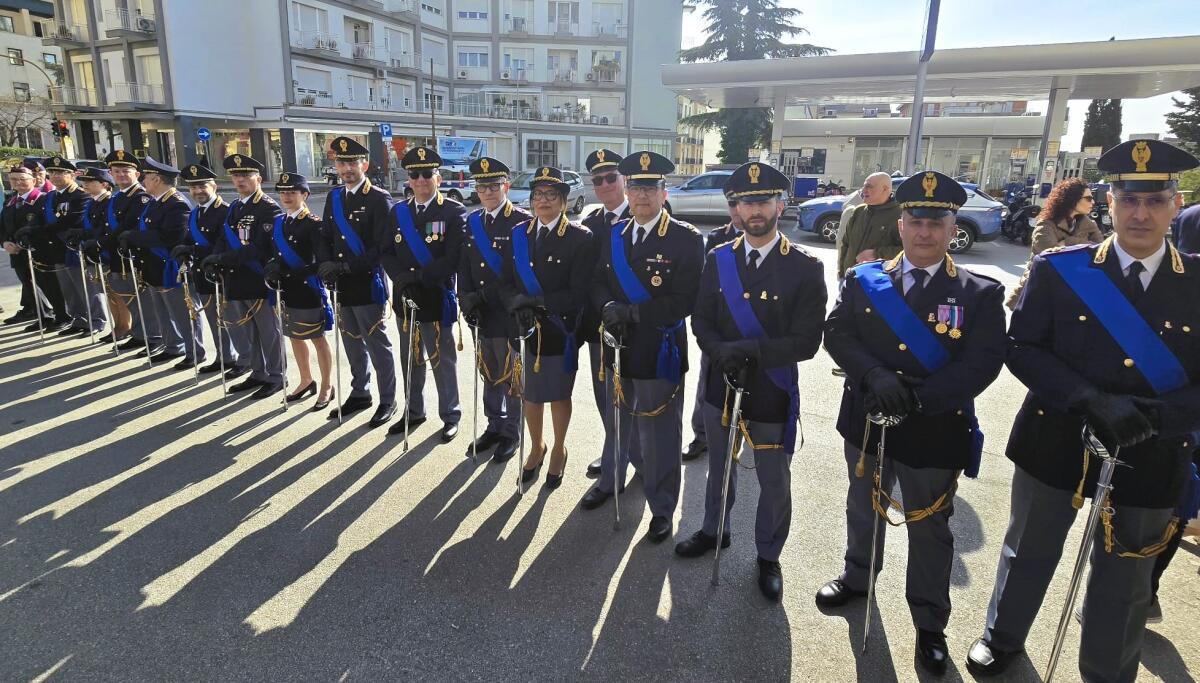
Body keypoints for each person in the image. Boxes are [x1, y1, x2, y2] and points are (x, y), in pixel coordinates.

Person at [966, 139, 1200, 683]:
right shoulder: (1060, 270)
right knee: (1029, 548)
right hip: (1057, 437)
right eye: (1127, 200)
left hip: (1151, 449)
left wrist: (1157, 419)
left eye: (1155, 199)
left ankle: (1106, 672)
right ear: (1108, 203)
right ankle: (1002, 637)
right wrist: (1089, 400)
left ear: (1175, 204)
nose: (1140, 213)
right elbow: (1021, 347)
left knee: (1126, 575)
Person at [818, 170, 1006, 675]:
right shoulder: (863, 279)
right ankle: (858, 577)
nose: (925, 231)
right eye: (916, 220)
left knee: (929, 530)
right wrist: (874, 376)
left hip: (934, 428)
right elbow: (837, 333)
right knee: (863, 508)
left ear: (951, 227)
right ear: (900, 224)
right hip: (867, 419)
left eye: (937, 221)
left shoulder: (979, 293)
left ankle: (929, 623)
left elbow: (983, 363)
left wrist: (917, 398)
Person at [674, 161, 826, 601]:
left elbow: (807, 341)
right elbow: (701, 318)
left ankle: (768, 555)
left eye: (763, 200)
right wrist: (720, 351)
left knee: (774, 477)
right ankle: (713, 530)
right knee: (718, 468)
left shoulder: (804, 267)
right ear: (736, 210)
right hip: (722, 382)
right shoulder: (718, 258)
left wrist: (752, 352)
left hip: (771, 387)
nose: (755, 210)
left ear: (780, 204)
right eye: (746, 202)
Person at [582, 150, 704, 544]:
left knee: (660, 432)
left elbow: (685, 299)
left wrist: (632, 314)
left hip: (657, 349)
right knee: (617, 421)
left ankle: (662, 506)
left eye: (650, 187)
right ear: (627, 190)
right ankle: (612, 479)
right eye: (635, 186)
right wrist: (605, 307)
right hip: (616, 345)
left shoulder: (685, 239)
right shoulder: (616, 234)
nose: (641, 195)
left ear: (664, 192)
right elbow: (598, 281)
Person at [501, 165, 595, 489]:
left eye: (551, 195)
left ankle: (558, 448)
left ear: (564, 202)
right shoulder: (518, 234)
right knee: (530, 394)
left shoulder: (579, 238)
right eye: (538, 194)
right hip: (523, 329)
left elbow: (579, 293)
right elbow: (505, 281)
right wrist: (515, 302)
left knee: (557, 395)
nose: (543, 200)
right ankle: (536, 446)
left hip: (558, 331)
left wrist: (537, 302)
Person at [383, 146, 465, 442]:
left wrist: (419, 277)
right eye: (415, 175)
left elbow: (453, 258)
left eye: (427, 174)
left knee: (441, 360)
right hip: (405, 297)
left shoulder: (453, 212)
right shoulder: (399, 212)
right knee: (410, 359)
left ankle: (451, 414)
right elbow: (386, 251)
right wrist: (402, 279)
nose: (420, 180)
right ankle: (414, 410)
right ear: (408, 179)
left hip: (435, 296)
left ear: (438, 178)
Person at [315, 136, 396, 426]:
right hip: (341, 284)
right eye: (341, 162)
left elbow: (381, 248)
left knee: (377, 344)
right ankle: (360, 391)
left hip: (365, 282)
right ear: (335, 165)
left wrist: (347, 266)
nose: (347, 168)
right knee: (351, 342)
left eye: (352, 162)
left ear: (365, 164)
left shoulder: (378, 198)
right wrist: (325, 263)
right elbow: (325, 235)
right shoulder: (335, 197)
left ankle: (388, 399)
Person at [457, 156, 530, 463]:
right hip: (483, 314)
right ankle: (494, 425)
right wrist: (465, 299)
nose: (486, 191)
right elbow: (465, 265)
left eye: (493, 185)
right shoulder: (472, 222)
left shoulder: (521, 222)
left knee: (512, 375)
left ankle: (511, 432)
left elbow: (518, 273)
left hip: (508, 313)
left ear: (506, 186)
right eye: (481, 185)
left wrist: (483, 295)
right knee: (489, 373)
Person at [202, 153, 285, 398]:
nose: (240, 180)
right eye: (236, 176)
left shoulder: (268, 208)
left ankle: (277, 375)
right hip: (236, 279)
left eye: (245, 175)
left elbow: (259, 248)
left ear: (258, 178)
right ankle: (258, 372)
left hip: (258, 279)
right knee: (249, 330)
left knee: (269, 332)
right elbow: (223, 238)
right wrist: (214, 258)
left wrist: (223, 259)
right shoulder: (236, 206)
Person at [118, 157, 202, 369]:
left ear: (156, 179)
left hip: (170, 266)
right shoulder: (157, 201)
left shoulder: (176, 203)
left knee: (183, 313)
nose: (144, 181)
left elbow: (171, 237)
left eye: (146, 177)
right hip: (153, 265)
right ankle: (173, 346)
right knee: (162, 311)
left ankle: (195, 351)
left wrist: (134, 237)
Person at [581, 149, 633, 478]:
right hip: (600, 326)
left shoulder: (648, 215)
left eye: (611, 177)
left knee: (634, 398)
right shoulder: (590, 224)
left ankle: (634, 456)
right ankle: (614, 449)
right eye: (597, 179)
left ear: (624, 179)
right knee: (605, 395)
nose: (605, 184)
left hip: (635, 326)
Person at [265, 172, 335, 408]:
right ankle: (306, 379)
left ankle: (326, 386)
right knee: (294, 335)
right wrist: (273, 267)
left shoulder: (313, 224)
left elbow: (321, 261)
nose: (286, 196)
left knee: (317, 338)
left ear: (304, 194)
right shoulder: (279, 222)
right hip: (286, 291)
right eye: (283, 192)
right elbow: (275, 254)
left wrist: (293, 273)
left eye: (292, 192)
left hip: (307, 289)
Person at [682, 199, 743, 464]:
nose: (738, 210)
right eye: (733, 203)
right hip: (720, 331)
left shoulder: (774, 240)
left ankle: (747, 433)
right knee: (706, 384)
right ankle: (702, 435)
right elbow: (706, 286)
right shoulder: (718, 238)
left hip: (754, 332)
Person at [172, 163, 245, 379]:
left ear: (214, 186)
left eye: (202, 186)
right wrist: (184, 251)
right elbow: (190, 238)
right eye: (193, 188)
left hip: (222, 274)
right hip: (203, 275)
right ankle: (224, 357)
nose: (198, 191)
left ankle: (244, 358)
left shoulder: (225, 211)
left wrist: (194, 249)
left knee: (231, 319)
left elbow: (226, 245)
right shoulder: (195, 213)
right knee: (214, 318)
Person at [101, 149, 162, 353]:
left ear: (137, 175)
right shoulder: (117, 197)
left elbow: (127, 226)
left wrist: (102, 242)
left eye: (125, 171)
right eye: (116, 171)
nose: (120, 175)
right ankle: (139, 333)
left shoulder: (141, 197)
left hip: (134, 257)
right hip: (119, 256)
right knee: (129, 298)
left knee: (142, 298)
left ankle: (153, 336)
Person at [41, 157, 94, 337]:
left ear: (71, 174)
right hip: (56, 249)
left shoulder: (80, 195)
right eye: (52, 172)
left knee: (84, 288)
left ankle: (93, 322)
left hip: (73, 248)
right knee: (68, 289)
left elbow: (72, 220)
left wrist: (41, 231)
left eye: (60, 172)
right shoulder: (50, 196)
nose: (55, 176)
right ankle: (78, 319)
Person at [1, 162, 54, 328]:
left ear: (32, 180)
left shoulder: (43, 199)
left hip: (37, 250)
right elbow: (2, 227)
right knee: (28, 284)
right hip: (15, 251)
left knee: (46, 284)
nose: (17, 183)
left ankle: (56, 315)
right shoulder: (9, 202)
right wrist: (5, 242)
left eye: (22, 179)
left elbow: (48, 225)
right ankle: (42, 315)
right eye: (13, 179)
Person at [65, 166, 116, 338]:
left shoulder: (109, 202)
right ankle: (114, 326)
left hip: (106, 253)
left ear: (104, 184)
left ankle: (124, 326)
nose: (84, 185)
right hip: (92, 252)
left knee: (115, 294)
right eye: (84, 182)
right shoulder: (93, 201)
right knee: (100, 291)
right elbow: (89, 226)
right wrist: (79, 234)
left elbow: (107, 228)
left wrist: (94, 240)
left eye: (89, 182)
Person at [837, 172, 901, 278]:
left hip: (878, 283)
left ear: (885, 189)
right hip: (850, 280)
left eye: (869, 186)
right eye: (864, 186)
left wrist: (876, 254)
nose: (863, 190)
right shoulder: (859, 211)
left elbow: (907, 251)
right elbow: (845, 244)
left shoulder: (899, 215)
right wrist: (842, 273)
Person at [1029, 178, 1105, 256]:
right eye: (1088, 198)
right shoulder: (1046, 223)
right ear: (1072, 199)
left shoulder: (1089, 224)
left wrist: (1067, 242)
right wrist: (1087, 244)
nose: (1093, 202)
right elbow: (1050, 255)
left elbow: (1101, 251)